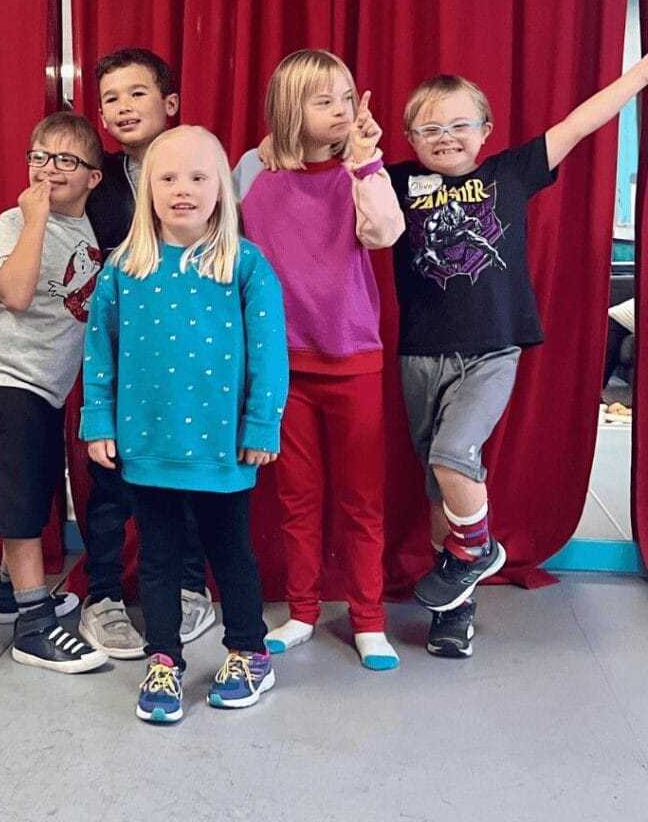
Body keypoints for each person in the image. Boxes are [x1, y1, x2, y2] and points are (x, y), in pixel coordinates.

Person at [0, 48, 213, 659]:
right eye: (111, 99)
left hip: (180, 355)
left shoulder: (200, 169)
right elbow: (28, 248)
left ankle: (187, 582)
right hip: (91, 365)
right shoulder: (93, 191)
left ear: (170, 105)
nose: (122, 108)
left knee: (189, 473)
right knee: (98, 480)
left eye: (136, 94)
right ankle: (92, 599)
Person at [388, 60, 648, 657]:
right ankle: (454, 608)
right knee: (438, 486)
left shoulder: (510, 172)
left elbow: (580, 123)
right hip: (421, 354)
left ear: (486, 130)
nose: (446, 136)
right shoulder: (399, 182)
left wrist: (637, 78)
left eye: (461, 124)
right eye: (430, 128)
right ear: (411, 139)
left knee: (455, 456)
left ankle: (478, 550)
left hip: (491, 350)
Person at [81, 125, 288, 723]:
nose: (182, 190)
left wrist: (260, 425)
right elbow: (100, 352)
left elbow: (270, 352)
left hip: (222, 448)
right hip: (147, 444)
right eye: (167, 178)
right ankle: (164, 660)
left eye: (198, 177)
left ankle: (248, 651)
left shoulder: (245, 264)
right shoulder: (124, 267)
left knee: (230, 553)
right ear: (148, 188)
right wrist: (100, 421)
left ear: (220, 188)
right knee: (158, 558)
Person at [236, 50, 405, 671]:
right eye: (323, 100)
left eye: (346, 97)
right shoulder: (257, 177)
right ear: (289, 110)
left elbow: (384, 232)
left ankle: (368, 618)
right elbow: (224, 242)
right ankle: (303, 610)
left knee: (362, 499)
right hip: (285, 368)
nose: (341, 110)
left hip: (354, 358)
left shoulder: (360, 174)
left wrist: (365, 163)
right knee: (297, 499)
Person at [0, 111, 107, 674]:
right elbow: (16, 294)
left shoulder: (92, 229)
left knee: (31, 488)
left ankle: (5, 593)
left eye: (66, 159)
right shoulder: (14, 222)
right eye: (39, 156)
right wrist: (35, 216)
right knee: (18, 505)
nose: (49, 168)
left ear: (94, 176)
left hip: (44, 386)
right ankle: (33, 622)